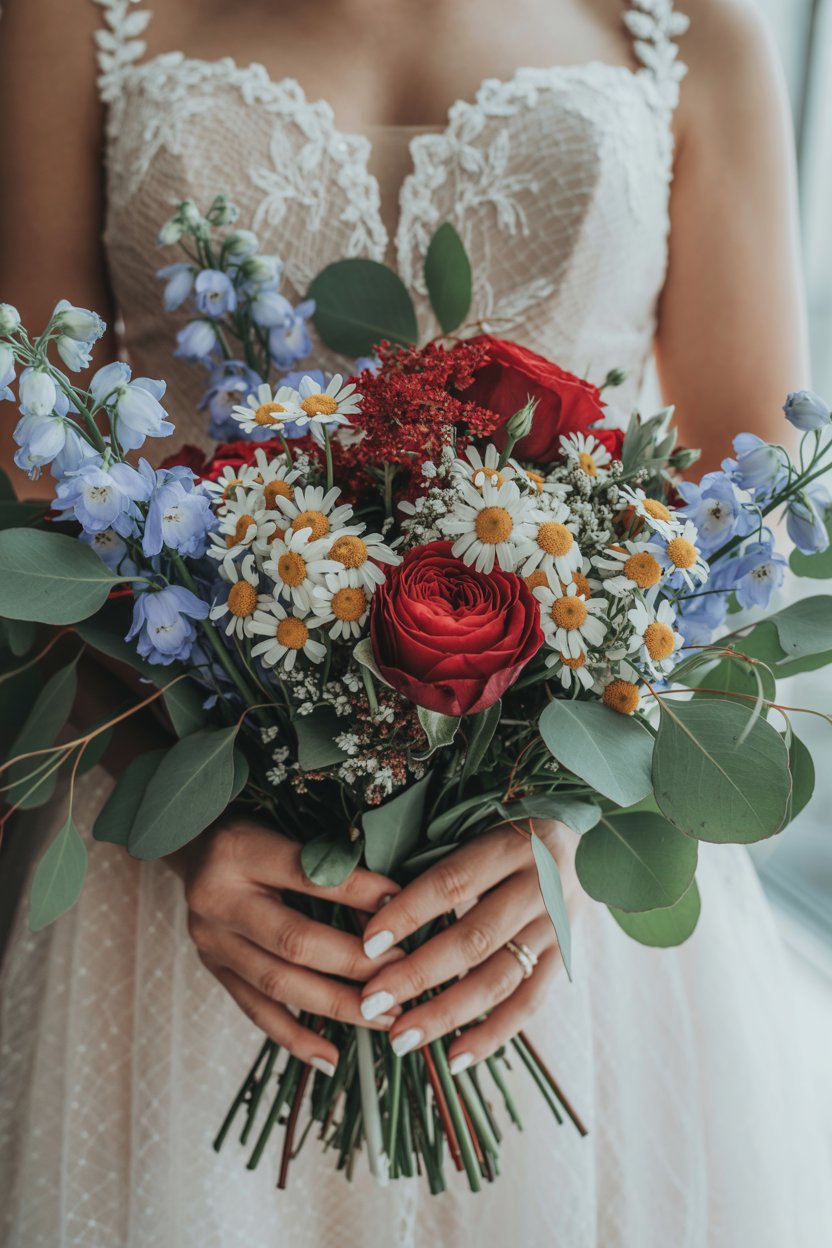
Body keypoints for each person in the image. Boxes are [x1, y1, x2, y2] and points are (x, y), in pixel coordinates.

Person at [1, 1, 830, 1244]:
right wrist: (182, 827)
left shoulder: (691, 25)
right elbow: (32, 487)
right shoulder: (66, 17)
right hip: (196, 862)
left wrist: (565, 814)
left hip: (552, 907)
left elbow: (746, 505)